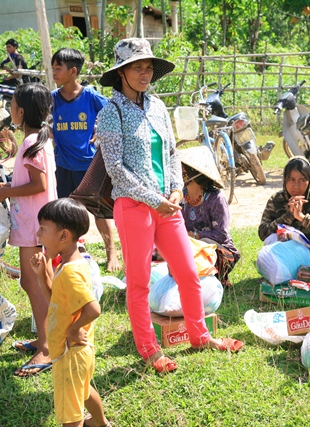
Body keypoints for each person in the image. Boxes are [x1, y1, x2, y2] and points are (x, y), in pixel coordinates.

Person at [96, 38, 243, 373]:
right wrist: (154, 200)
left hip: (169, 206)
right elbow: (115, 169)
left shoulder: (157, 106)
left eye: (148, 67)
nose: (145, 73)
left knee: (189, 273)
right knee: (138, 283)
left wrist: (176, 189)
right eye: (137, 67)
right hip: (134, 207)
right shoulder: (110, 113)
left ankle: (200, 336)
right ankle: (149, 350)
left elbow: (173, 152)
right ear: (121, 73)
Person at [0, 83, 57, 377]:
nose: (10, 110)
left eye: (12, 105)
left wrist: (6, 192)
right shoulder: (36, 139)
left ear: (21, 111)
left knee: (33, 283)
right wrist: (10, 185)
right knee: (38, 282)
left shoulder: (32, 141)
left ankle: (47, 348)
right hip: (37, 222)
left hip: (34, 225)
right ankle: (46, 339)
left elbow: (38, 185)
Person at [30, 199, 110, 427]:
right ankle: (100, 423)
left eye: (43, 229)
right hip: (79, 352)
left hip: (70, 353)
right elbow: (55, 301)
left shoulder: (69, 272)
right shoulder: (71, 264)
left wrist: (74, 330)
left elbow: (93, 309)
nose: (38, 235)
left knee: (70, 414)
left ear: (63, 235)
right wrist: (41, 275)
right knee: (83, 391)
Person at [51, 47, 121, 272]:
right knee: (64, 211)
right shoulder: (53, 98)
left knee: (98, 210)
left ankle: (111, 253)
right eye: (53, 68)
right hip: (63, 164)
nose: (54, 72)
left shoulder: (90, 96)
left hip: (88, 164)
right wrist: (49, 132)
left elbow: (114, 112)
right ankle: (71, 252)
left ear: (73, 71)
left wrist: (100, 130)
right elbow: (39, 118)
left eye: (58, 68)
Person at [258, 156, 310, 269]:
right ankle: (287, 271)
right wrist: (288, 216)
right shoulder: (276, 200)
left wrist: (302, 218)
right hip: (285, 252)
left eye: (302, 180)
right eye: (291, 180)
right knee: (272, 238)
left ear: (309, 181)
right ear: (285, 180)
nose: (296, 186)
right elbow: (263, 233)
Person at [179, 146, 241, 287]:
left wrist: (195, 236)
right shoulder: (181, 197)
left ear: (194, 173)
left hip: (220, 253)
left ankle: (217, 277)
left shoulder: (216, 199)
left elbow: (221, 235)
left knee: (204, 242)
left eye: (183, 172)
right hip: (190, 248)